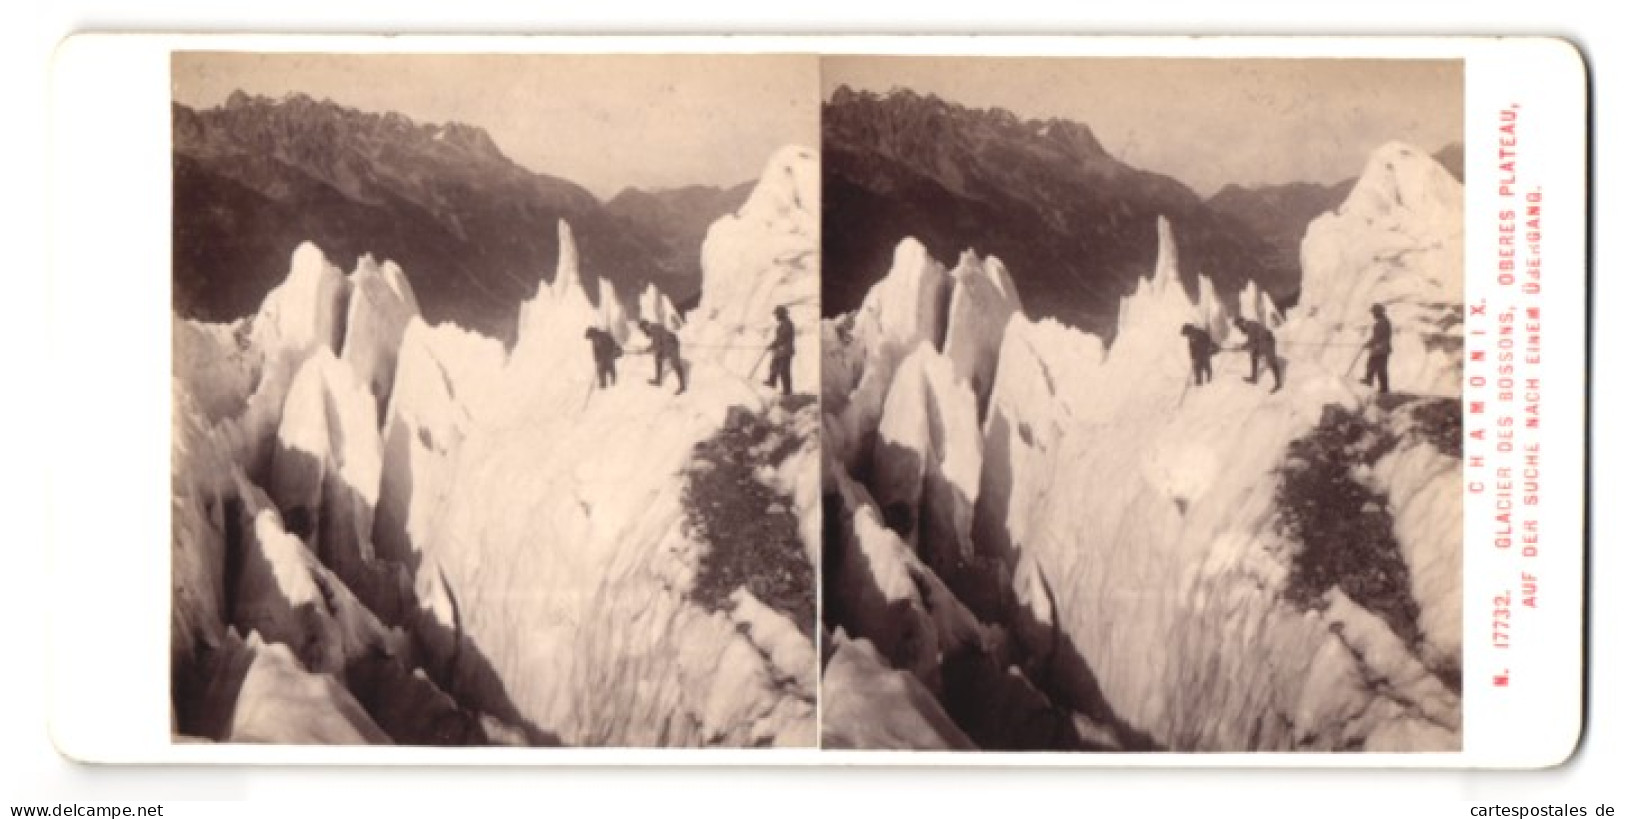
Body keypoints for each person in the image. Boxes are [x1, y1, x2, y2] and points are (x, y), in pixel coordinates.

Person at [1233, 316, 1282, 392]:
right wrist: (1242, 347)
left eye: (1238, 326)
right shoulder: (1248, 325)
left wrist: (1240, 347)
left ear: (1242, 323)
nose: (1239, 328)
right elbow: (1252, 341)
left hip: (1268, 341)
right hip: (1260, 341)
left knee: (1271, 361)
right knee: (1254, 355)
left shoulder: (1251, 326)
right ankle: (1254, 378)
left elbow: (1251, 342)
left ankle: (1278, 383)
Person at [638, 319, 686, 395]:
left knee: (675, 364)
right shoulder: (652, 328)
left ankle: (682, 386)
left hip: (672, 345)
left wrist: (646, 350)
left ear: (646, 326)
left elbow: (656, 345)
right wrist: (648, 349)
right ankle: (658, 380)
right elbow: (656, 343)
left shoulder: (654, 329)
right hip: (665, 344)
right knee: (658, 359)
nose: (644, 332)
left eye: (643, 329)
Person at [764, 305, 796, 395]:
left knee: (784, 370)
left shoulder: (787, 324)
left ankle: (787, 390)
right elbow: (780, 338)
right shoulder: (783, 324)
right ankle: (771, 382)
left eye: (777, 314)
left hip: (785, 351)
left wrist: (773, 345)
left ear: (781, 314)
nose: (776, 316)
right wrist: (773, 345)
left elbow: (782, 337)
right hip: (780, 351)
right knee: (774, 366)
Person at [1361, 303, 1392, 394]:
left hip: (1380, 349)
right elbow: (1377, 337)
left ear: (1378, 312)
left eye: (1374, 312)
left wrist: (1368, 344)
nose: (1373, 315)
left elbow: (1377, 337)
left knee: (1375, 366)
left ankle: (1371, 383)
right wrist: (1369, 344)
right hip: (1381, 349)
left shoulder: (1381, 323)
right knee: (1378, 368)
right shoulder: (1384, 321)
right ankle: (1382, 388)